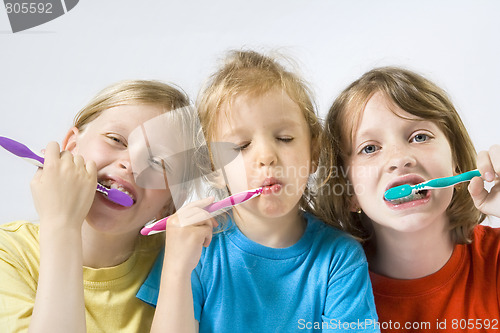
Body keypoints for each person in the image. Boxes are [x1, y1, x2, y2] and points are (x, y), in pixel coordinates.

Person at [137, 50, 380, 333]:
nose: (266, 156)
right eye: (241, 146)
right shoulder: (194, 251)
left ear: (314, 153)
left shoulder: (339, 257)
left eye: (284, 138)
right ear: (214, 168)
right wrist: (177, 269)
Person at [316, 66, 500, 332]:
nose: (400, 158)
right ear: (349, 193)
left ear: (457, 165)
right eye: (369, 148)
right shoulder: (333, 293)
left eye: (420, 137)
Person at [0, 80, 192, 332]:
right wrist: (61, 224)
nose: (130, 164)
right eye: (116, 139)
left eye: (157, 162)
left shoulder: (186, 264)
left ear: (170, 203)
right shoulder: (9, 255)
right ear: (71, 147)